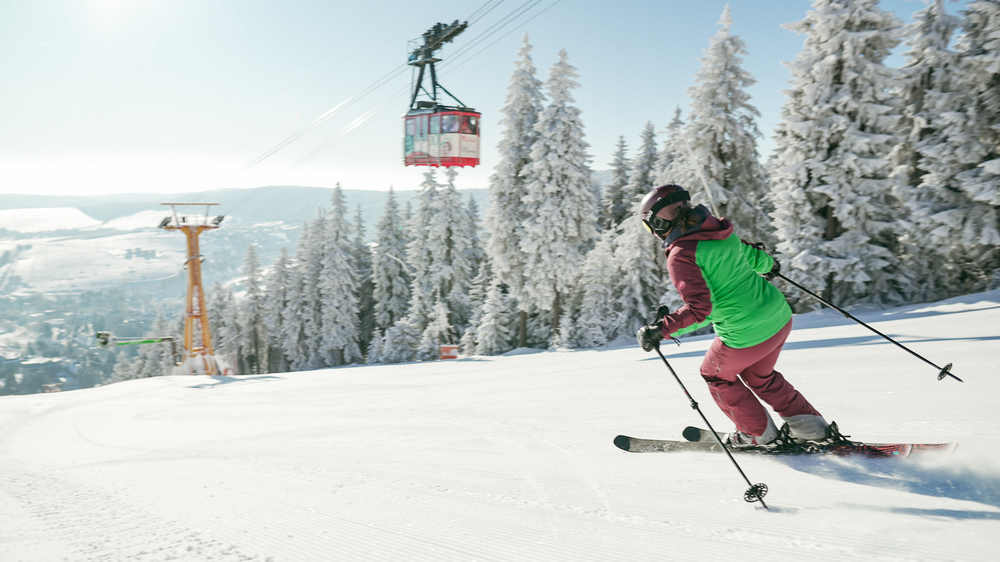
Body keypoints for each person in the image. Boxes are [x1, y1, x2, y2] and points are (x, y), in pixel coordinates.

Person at [635, 184, 847, 449]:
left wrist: (660, 330)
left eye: (649, 226)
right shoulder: (719, 231)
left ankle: (758, 435)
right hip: (779, 317)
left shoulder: (681, 254)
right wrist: (770, 266)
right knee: (761, 377)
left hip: (745, 332)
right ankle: (814, 430)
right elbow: (755, 257)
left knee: (716, 375)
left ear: (658, 222)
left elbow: (700, 309)